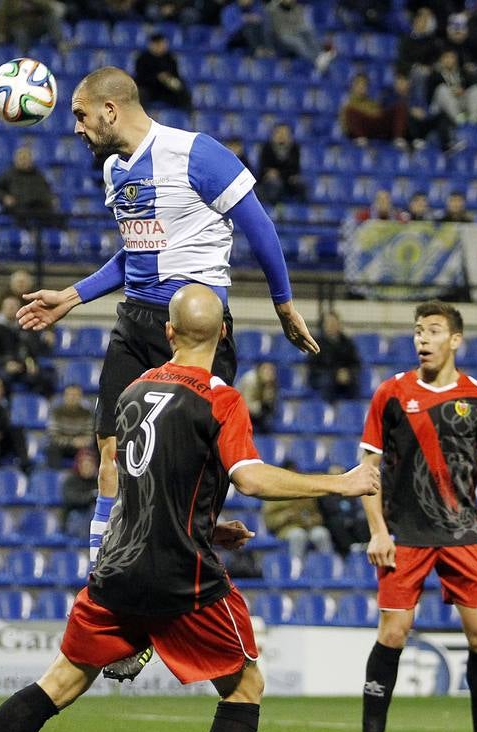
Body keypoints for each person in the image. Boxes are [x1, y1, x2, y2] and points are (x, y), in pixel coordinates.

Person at [0, 285, 379, 732]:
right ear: (225, 334)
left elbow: (140, 482)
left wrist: (210, 520)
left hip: (117, 568)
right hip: (182, 578)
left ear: (170, 334)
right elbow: (251, 477)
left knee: (55, 685)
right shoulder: (221, 398)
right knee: (244, 689)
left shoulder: (134, 390)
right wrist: (340, 483)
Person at [16, 67, 316, 588]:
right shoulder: (114, 170)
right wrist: (71, 295)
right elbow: (135, 251)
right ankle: (104, 584)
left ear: (110, 110)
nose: (76, 128)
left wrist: (284, 303)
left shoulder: (197, 153)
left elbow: (259, 226)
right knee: (111, 451)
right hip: (134, 321)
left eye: (81, 115)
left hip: (198, 333)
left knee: (191, 471)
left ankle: (181, 556)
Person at [356, 302, 477, 732]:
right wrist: (378, 530)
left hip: (463, 533)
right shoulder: (391, 393)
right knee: (394, 633)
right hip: (406, 535)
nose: (423, 339)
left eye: (434, 331)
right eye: (418, 331)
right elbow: (368, 467)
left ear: (456, 340)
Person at [262, 462, 334, 574]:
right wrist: (285, 516)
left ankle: (329, 567)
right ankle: (296, 570)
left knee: (321, 534)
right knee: (298, 535)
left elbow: (318, 515)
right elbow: (269, 522)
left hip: (309, 527)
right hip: (287, 529)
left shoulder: (304, 491)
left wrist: (312, 520)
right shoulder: (273, 492)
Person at [0, 145, 60, 227]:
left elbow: (47, 189)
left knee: (58, 218)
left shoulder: (38, 175)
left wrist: (51, 198)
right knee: (22, 217)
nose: (24, 161)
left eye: (26, 158)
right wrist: (4, 197)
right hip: (19, 206)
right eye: (21, 158)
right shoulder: (9, 174)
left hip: (38, 206)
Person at [307, 311, 360, 402]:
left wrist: (348, 373)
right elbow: (313, 366)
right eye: (328, 323)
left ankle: (352, 412)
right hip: (323, 377)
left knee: (355, 384)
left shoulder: (347, 343)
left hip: (344, 378)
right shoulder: (316, 343)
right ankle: (328, 412)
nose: (331, 326)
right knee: (327, 382)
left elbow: (356, 363)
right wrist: (335, 374)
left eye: (334, 323)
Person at [133, 32, 192, 112]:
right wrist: (158, 77)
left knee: (183, 91)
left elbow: (176, 75)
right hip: (149, 89)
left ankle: (187, 118)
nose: (162, 46)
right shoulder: (143, 58)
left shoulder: (170, 58)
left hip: (165, 89)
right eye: (158, 44)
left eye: (163, 44)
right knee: (141, 94)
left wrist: (172, 81)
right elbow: (140, 77)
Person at [47, 383, 95, 467]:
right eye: (69, 395)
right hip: (62, 446)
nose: (72, 398)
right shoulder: (56, 412)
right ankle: (54, 475)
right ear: (64, 396)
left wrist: (84, 441)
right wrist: (72, 442)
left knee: (93, 449)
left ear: (81, 397)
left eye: (76, 395)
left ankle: (90, 477)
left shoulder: (87, 413)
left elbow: (90, 436)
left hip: (81, 447)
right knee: (52, 448)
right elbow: (53, 436)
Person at [255, 122, 304, 204]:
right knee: (274, 183)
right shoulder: (266, 147)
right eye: (279, 132)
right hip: (269, 182)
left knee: (301, 184)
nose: (282, 135)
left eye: (285, 133)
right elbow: (264, 169)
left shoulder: (294, 148)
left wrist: (279, 173)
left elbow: (295, 169)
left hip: (288, 180)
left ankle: (300, 209)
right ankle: (273, 207)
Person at [60, 448, 98, 535]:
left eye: (90, 465)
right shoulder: (70, 480)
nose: (87, 467)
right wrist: (92, 495)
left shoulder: (98, 481)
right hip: (75, 518)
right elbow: (71, 500)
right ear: (79, 465)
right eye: (84, 464)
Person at [236, 361, 278, 431]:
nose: (269, 373)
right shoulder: (250, 380)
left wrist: (268, 398)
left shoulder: (271, 382)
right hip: (239, 411)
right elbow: (246, 405)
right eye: (266, 370)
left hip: (257, 413)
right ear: (260, 370)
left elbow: (271, 405)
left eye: (271, 370)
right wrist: (262, 405)